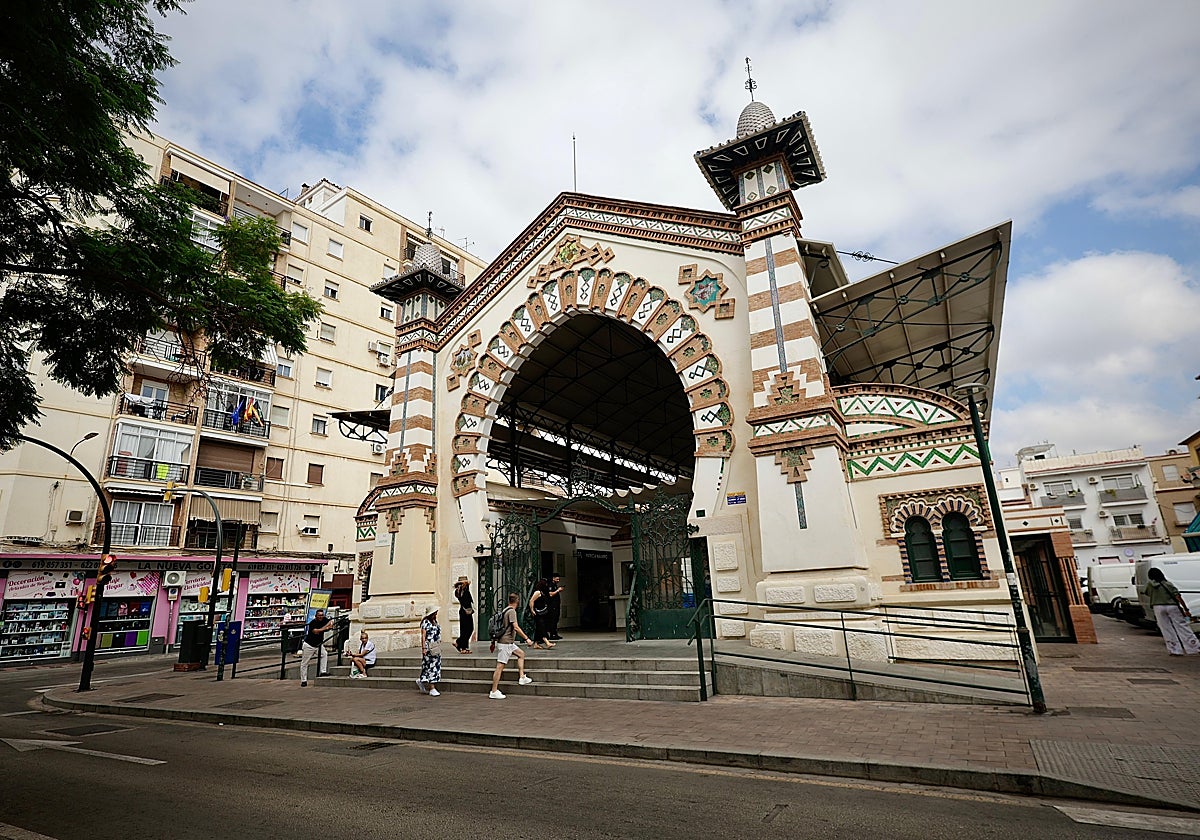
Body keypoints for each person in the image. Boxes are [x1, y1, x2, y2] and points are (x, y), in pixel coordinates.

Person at [1143, 568, 1200, 656]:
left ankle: (1174, 649)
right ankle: (1193, 647)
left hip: (1157, 606)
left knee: (1166, 628)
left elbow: (1147, 593)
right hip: (1172, 606)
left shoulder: (1149, 585)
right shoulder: (1168, 584)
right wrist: (1185, 609)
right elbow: (1177, 597)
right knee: (1181, 626)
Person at [490, 593, 534, 699]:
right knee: (500, 666)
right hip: (505, 643)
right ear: (517, 601)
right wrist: (526, 638)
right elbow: (516, 627)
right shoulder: (512, 612)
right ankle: (494, 691)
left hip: (509, 642)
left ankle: (522, 676)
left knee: (521, 654)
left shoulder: (505, 610)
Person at [300, 608, 334, 686]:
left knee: (324, 654)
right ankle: (304, 680)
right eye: (319, 615)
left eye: (322, 615)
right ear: (316, 616)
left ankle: (323, 671)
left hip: (318, 645)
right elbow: (316, 631)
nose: (321, 617)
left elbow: (331, 622)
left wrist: (329, 625)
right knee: (305, 663)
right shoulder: (313, 623)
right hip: (309, 645)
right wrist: (325, 628)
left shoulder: (324, 619)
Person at [416, 606, 443, 696]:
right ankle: (432, 687)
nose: (436, 613)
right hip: (429, 647)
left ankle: (422, 680)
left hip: (435, 646)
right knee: (431, 666)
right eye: (435, 612)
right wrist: (423, 648)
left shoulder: (435, 622)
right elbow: (423, 636)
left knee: (434, 666)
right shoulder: (425, 622)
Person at [528, 578, 555, 649]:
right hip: (538, 613)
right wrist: (532, 610)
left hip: (542, 612)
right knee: (542, 627)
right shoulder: (537, 592)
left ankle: (536, 643)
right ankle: (547, 642)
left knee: (538, 628)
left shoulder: (544, 592)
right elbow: (531, 601)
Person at [453, 576, 474, 654]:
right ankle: (459, 642)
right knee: (469, 629)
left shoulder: (459, 591)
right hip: (466, 612)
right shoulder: (463, 591)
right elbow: (467, 601)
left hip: (463, 611)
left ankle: (464, 647)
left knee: (465, 630)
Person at [547, 573, 564, 640]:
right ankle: (552, 634)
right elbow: (550, 594)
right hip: (552, 606)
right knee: (553, 620)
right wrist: (558, 590)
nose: (558, 580)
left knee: (556, 619)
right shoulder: (550, 585)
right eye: (557, 579)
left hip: (556, 605)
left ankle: (555, 633)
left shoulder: (554, 585)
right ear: (553, 578)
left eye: (559, 579)